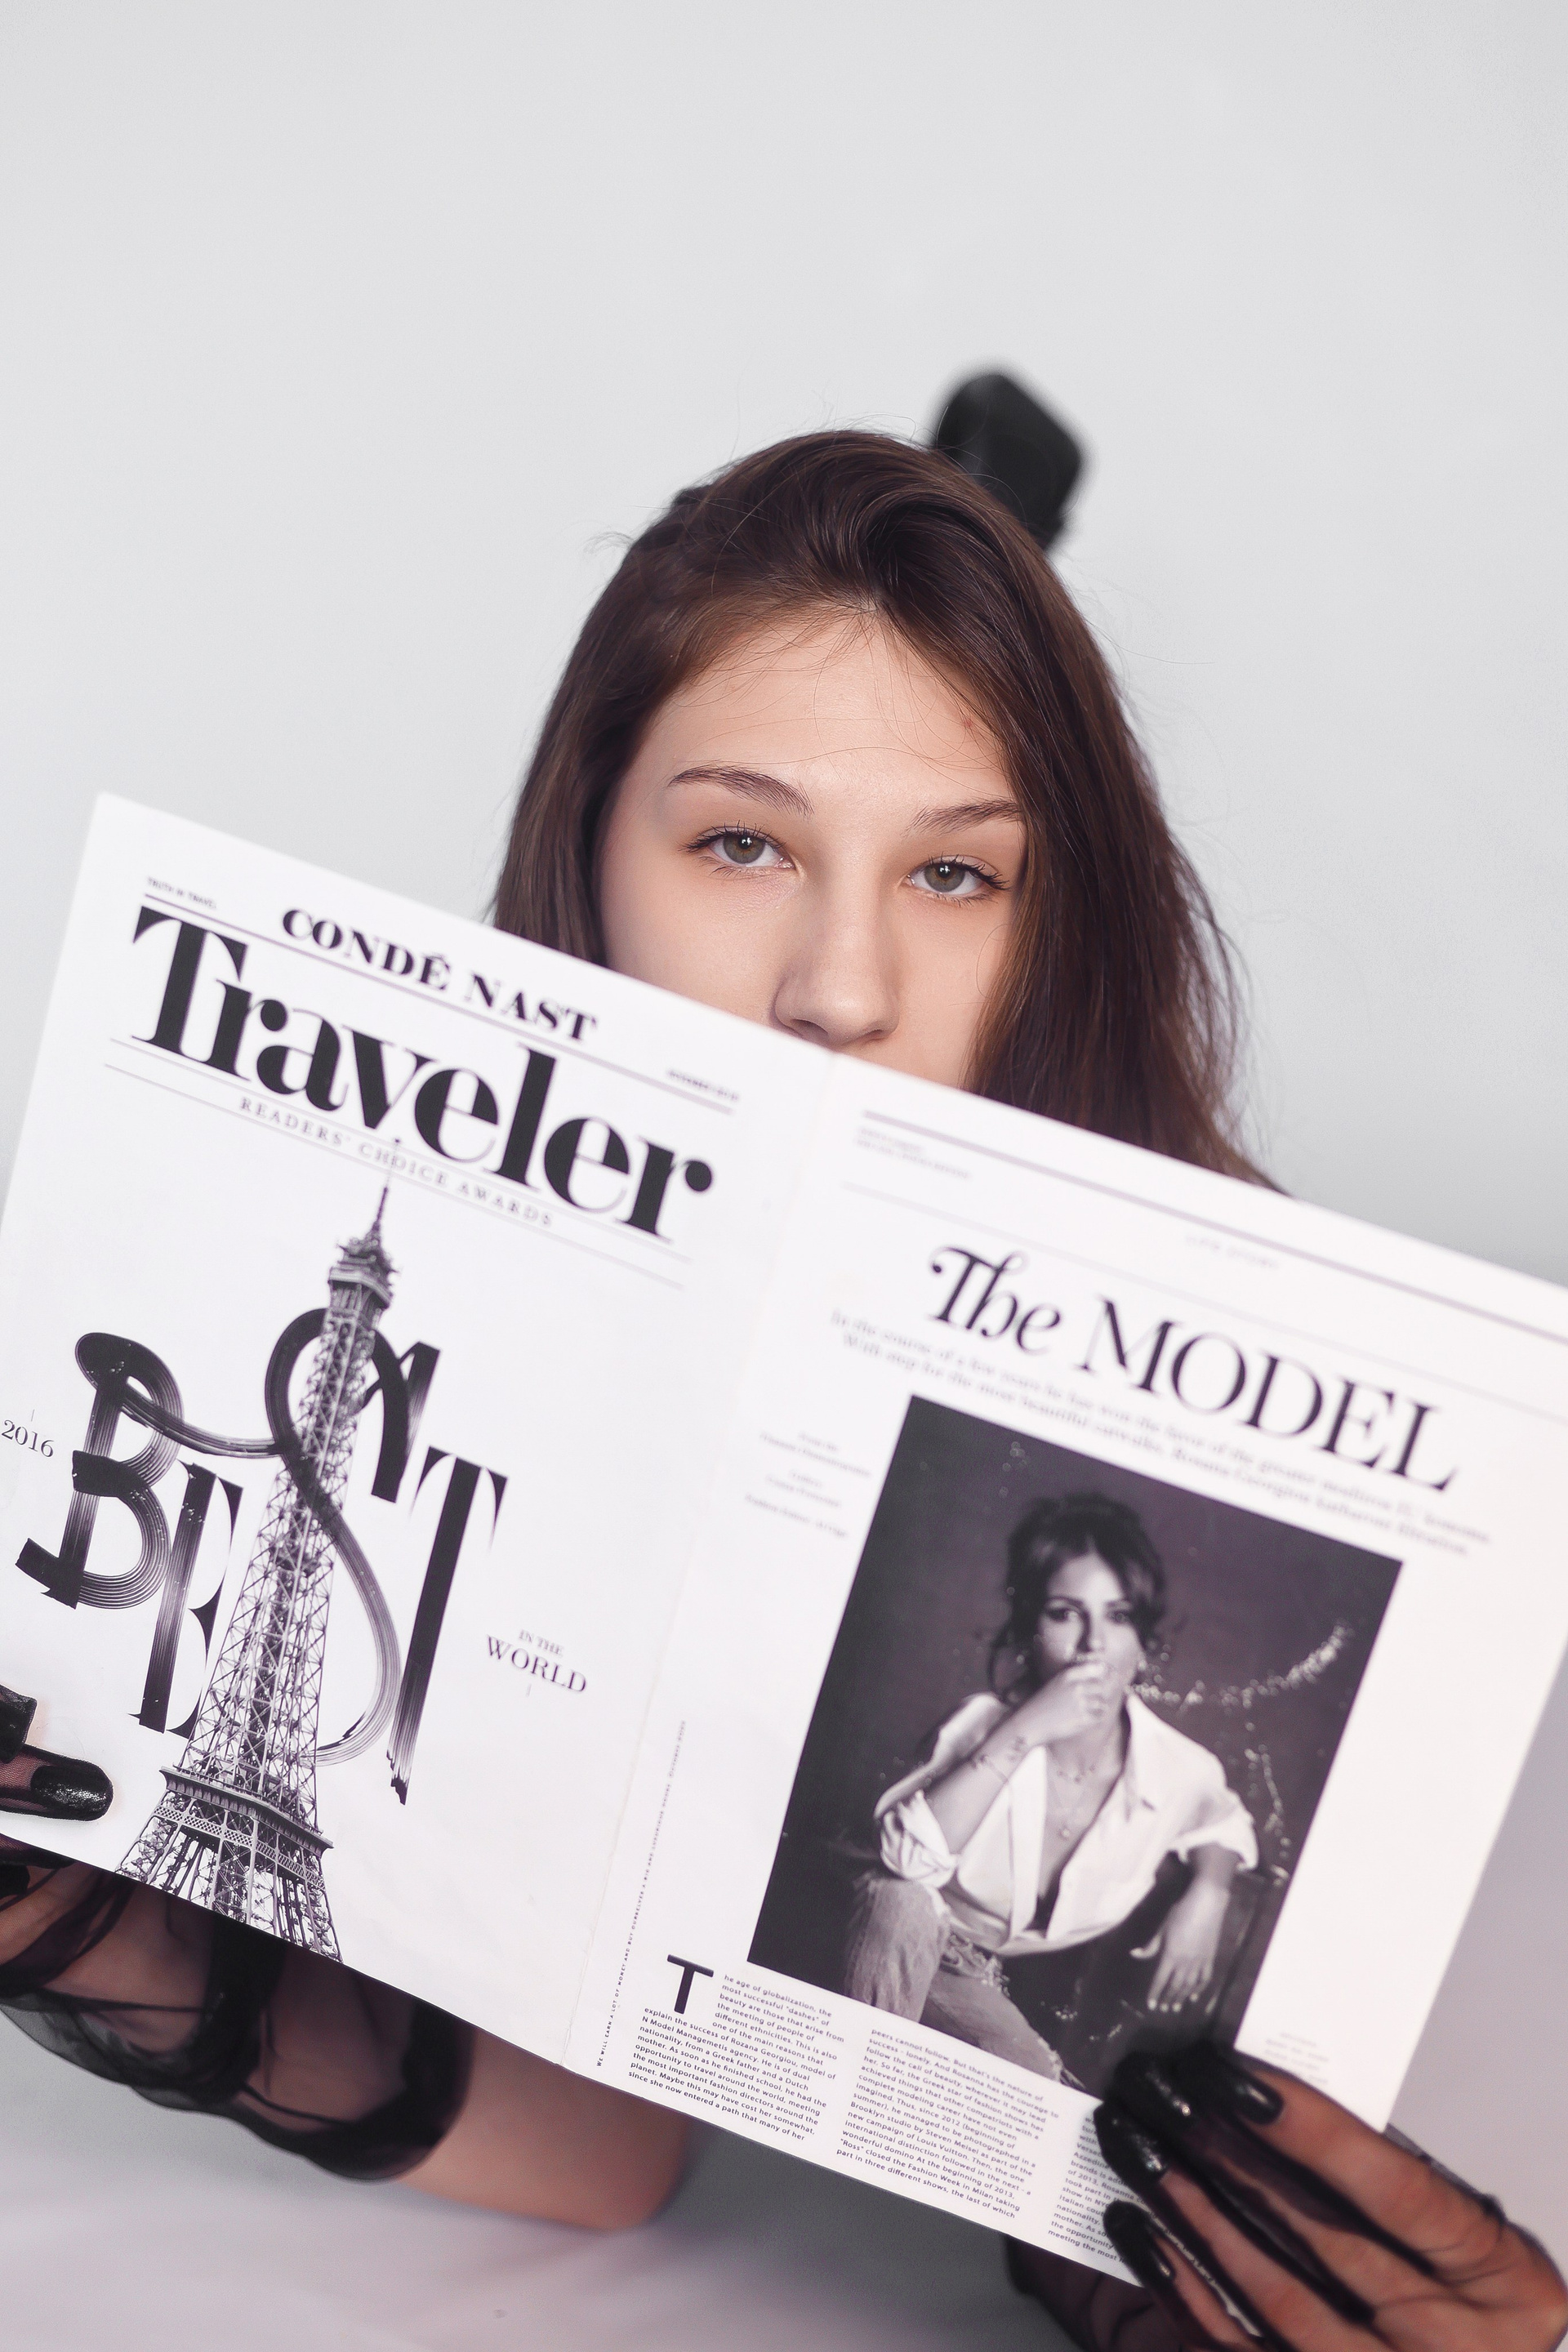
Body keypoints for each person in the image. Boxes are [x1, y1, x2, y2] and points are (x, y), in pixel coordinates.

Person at [2, 431, 1561, 2349]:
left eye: (958, 871)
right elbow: (600, 2152)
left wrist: (1162, 2279)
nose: (841, 985)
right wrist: (57, 1915)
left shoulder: (1234, 1316)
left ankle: (976, 492)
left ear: (1054, 917)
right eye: (740, 842)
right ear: (588, 848)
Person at [844, 1494, 1256, 2082]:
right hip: (894, 1933)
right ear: (1029, 1631)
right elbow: (905, 1865)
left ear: (1144, 1645)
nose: (1093, 1644)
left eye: (1118, 1617)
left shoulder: (1179, 1769)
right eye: (1065, 1614)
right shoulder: (980, 1727)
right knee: (901, 1899)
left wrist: (1210, 1890)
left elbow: (1224, 1820)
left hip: (972, 1978)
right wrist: (1025, 1730)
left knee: (1033, 2083)